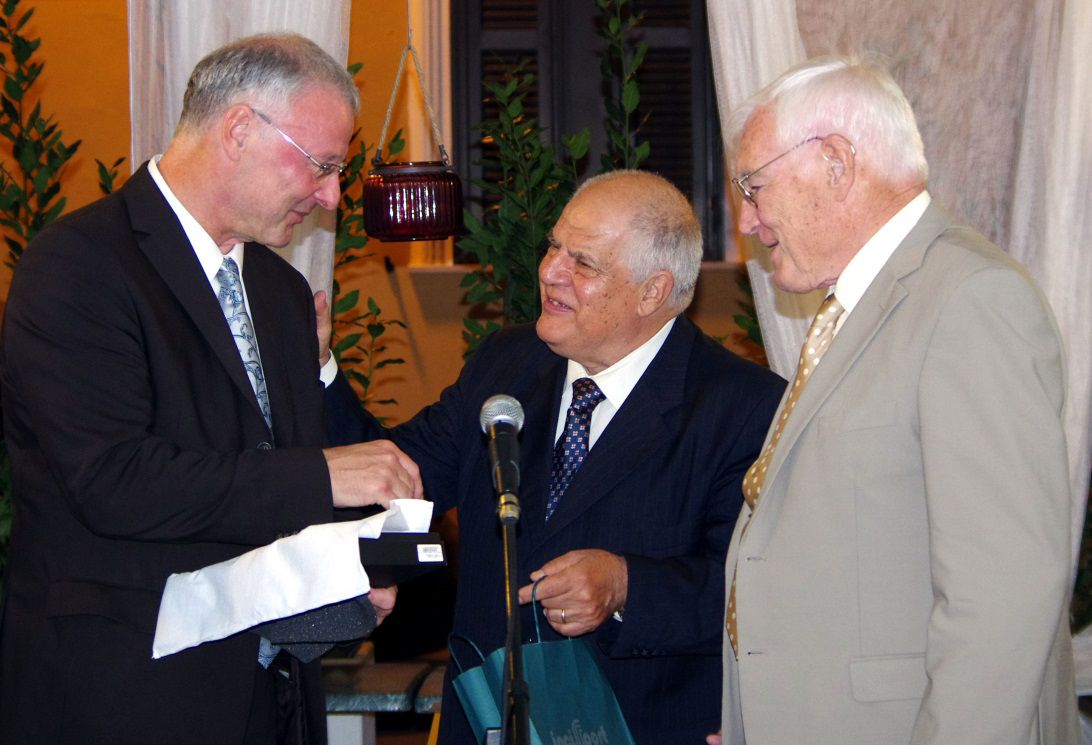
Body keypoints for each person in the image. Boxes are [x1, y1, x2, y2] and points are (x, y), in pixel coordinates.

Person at [0, 33, 422, 745]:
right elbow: (115, 480)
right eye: (322, 166)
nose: (330, 196)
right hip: (127, 698)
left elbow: (267, 502)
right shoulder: (77, 266)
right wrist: (320, 473)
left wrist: (337, 575)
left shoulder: (282, 291)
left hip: (270, 698)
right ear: (237, 130)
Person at [329, 169, 785, 744]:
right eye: (554, 246)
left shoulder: (742, 407)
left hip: (639, 724)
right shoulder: (507, 362)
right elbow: (396, 474)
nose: (550, 271)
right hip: (486, 720)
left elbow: (755, 589)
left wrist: (625, 585)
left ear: (652, 291)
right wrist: (319, 370)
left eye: (584, 262)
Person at [717, 55, 1078, 745]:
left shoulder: (970, 300)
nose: (747, 220)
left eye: (755, 187)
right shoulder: (859, 306)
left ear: (836, 162)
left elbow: (1000, 600)